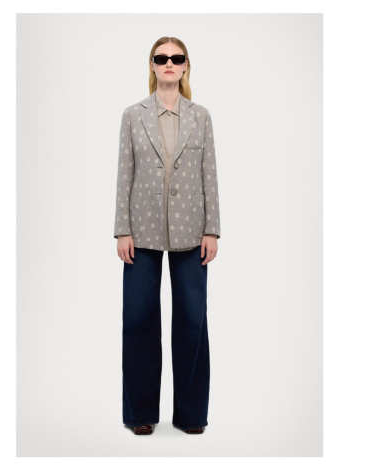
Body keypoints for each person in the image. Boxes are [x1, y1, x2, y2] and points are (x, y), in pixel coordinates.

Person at [113, 36, 221, 435]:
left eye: (177, 58)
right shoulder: (133, 115)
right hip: (141, 230)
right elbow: (125, 173)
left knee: (192, 320)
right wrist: (122, 230)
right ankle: (140, 414)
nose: (169, 63)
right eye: (162, 58)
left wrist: (212, 229)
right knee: (138, 319)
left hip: (192, 230)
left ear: (186, 65)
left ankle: (191, 415)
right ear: (153, 65)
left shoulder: (201, 116)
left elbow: (209, 175)